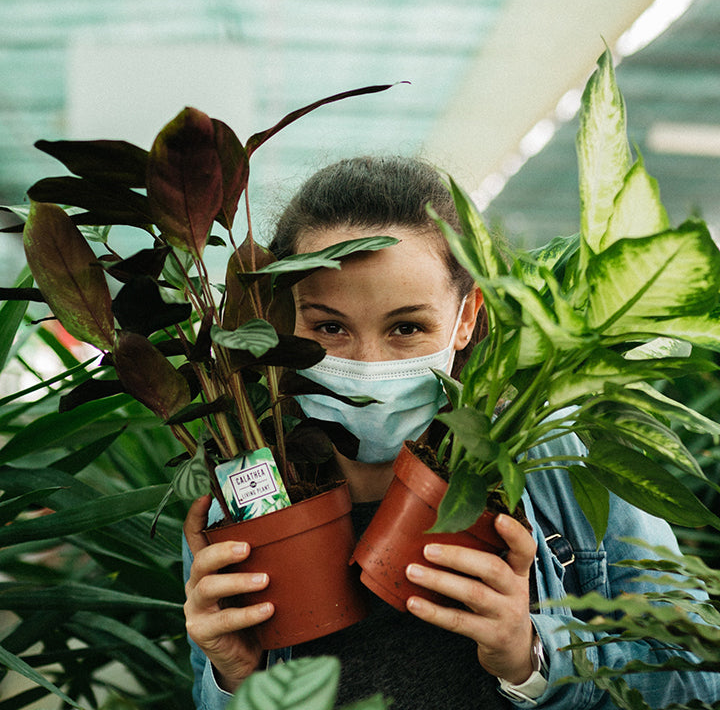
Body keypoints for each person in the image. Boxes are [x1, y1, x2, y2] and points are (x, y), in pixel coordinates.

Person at [183, 156, 720, 709]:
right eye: (329, 326)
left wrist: (533, 656)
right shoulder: (241, 496)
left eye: (407, 327)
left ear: (465, 319)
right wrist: (236, 679)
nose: (368, 364)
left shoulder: (554, 456)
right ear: (278, 317)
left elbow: (696, 676)